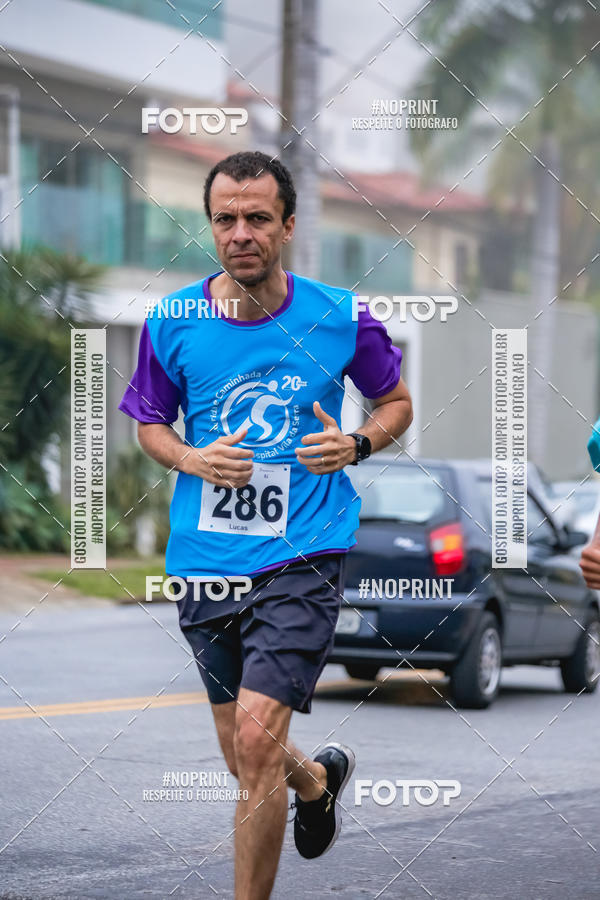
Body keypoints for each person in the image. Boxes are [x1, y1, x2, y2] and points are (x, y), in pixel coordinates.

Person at [119, 150, 413, 900]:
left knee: (255, 739)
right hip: (207, 559)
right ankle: (314, 783)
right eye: (225, 219)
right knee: (243, 753)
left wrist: (355, 443)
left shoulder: (341, 316)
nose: (240, 232)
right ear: (211, 226)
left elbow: (396, 402)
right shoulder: (173, 319)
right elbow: (148, 424)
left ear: (287, 224)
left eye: (257, 218)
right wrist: (191, 457)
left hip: (304, 554)